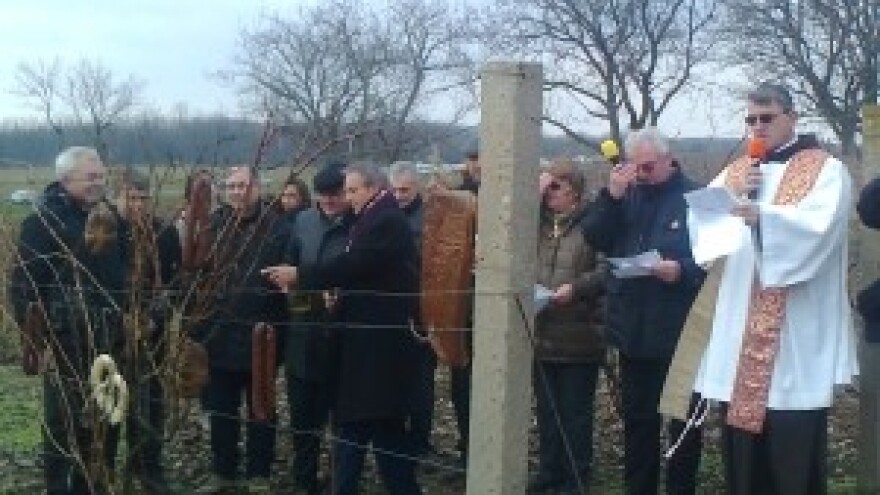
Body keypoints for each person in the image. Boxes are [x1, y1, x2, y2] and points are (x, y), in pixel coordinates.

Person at [688, 82, 858, 495]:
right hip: (738, 335)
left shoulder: (824, 169)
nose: (758, 127)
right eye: (751, 120)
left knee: (792, 454)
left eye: (767, 118)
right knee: (744, 457)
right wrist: (729, 204)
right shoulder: (735, 171)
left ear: (792, 118)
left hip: (793, 337)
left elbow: (819, 232)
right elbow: (704, 234)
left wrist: (762, 217)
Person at [264, 163, 422, 495]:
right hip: (362, 344)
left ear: (373, 189)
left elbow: (354, 264)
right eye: (345, 191)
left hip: (375, 346)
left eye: (352, 190)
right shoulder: (368, 218)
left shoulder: (385, 221)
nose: (347, 198)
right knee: (378, 429)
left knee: (362, 427)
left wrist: (301, 276)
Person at [581, 127, 704, 495]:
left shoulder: (694, 196)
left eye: (648, 167)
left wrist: (681, 270)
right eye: (635, 167)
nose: (642, 175)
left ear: (668, 160)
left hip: (680, 330)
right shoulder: (624, 195)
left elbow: (714, 258)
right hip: (633, 329)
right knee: (638, 424)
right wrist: (612, 196)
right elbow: (595, 237)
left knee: (682, 426)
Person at [8, 146, 128, 495]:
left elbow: (123, 276)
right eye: (90, 177)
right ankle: (59, 488)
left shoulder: (110, 220)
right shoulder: (43, 223)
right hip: (64, 341)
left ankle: (94, 485)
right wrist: (36, 344)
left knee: (107, 415)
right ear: (65, 180)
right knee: (64, 423)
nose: (98, 183)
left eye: (101, 176)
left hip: (110, 338)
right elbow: (24, 287)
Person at [192, 166, 290, 495]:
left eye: (243, 186)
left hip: (262, 336)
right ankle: (224, 471)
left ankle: (259, 473)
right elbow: (196, 280)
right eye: (231, 186)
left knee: (261, 409)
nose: (237, 192)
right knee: (221, 411)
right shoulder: (213, 228)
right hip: (218, 337)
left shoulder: (278, 227)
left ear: (258, 189)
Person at [529, 161, 606, 495]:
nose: (549, 195)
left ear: (574, 191)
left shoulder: (592, 224)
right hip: (542, 332)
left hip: (579, 333)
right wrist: (535, 191)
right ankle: (550, 470)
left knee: (574, 413)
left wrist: (577, 288)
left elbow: (606, 270)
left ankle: (576, 476)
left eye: (556, 187)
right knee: (547, 412)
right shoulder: (538, 224)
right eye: (547, 188)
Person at [284, 163, 350, 494]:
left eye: (335, 195)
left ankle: (341, 483)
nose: (328, 201)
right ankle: (304, 482)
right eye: (323, 196)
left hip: (343, 342)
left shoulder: (359, 225)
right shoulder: (303, 222)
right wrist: (309, 304)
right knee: (303, 423)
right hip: (303, 338)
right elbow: (290, 276)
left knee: (342, 424)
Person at [113, 168, 181, 495]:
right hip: (111, 334)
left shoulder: (164, 233)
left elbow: (174, 283)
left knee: (151, 404)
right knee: (112, 400)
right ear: (117, 197)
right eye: (131, 198)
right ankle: (107, 465)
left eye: (143, 198)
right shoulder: (106, 230)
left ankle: (149, 468)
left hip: (153, 335)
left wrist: (155, 317)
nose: (138, 204)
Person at [388, 162, 437, 460]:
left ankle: (419, 441)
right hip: (392, 307)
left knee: (422, 382)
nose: (398, 195)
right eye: (393, 190)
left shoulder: (430, 216)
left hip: (422, 308)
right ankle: (395, 439)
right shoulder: (385, 214)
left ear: (416, 187)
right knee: (393, 378)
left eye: (404, 190)